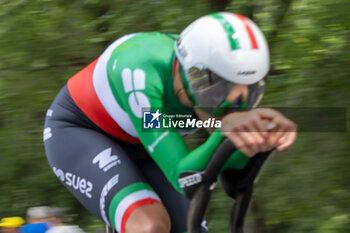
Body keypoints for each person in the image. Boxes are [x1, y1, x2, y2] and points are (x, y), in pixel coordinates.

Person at [43, 12, 297, 233]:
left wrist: (258, 140)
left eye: (248, 96)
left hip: (150, 133)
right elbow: (184, 177)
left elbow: (224, 177)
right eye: (218, 94)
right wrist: (227, 132)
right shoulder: (140, 73)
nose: (229, 109)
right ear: (194, 76)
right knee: (149, 226)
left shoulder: (198, 75)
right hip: (82, 130)